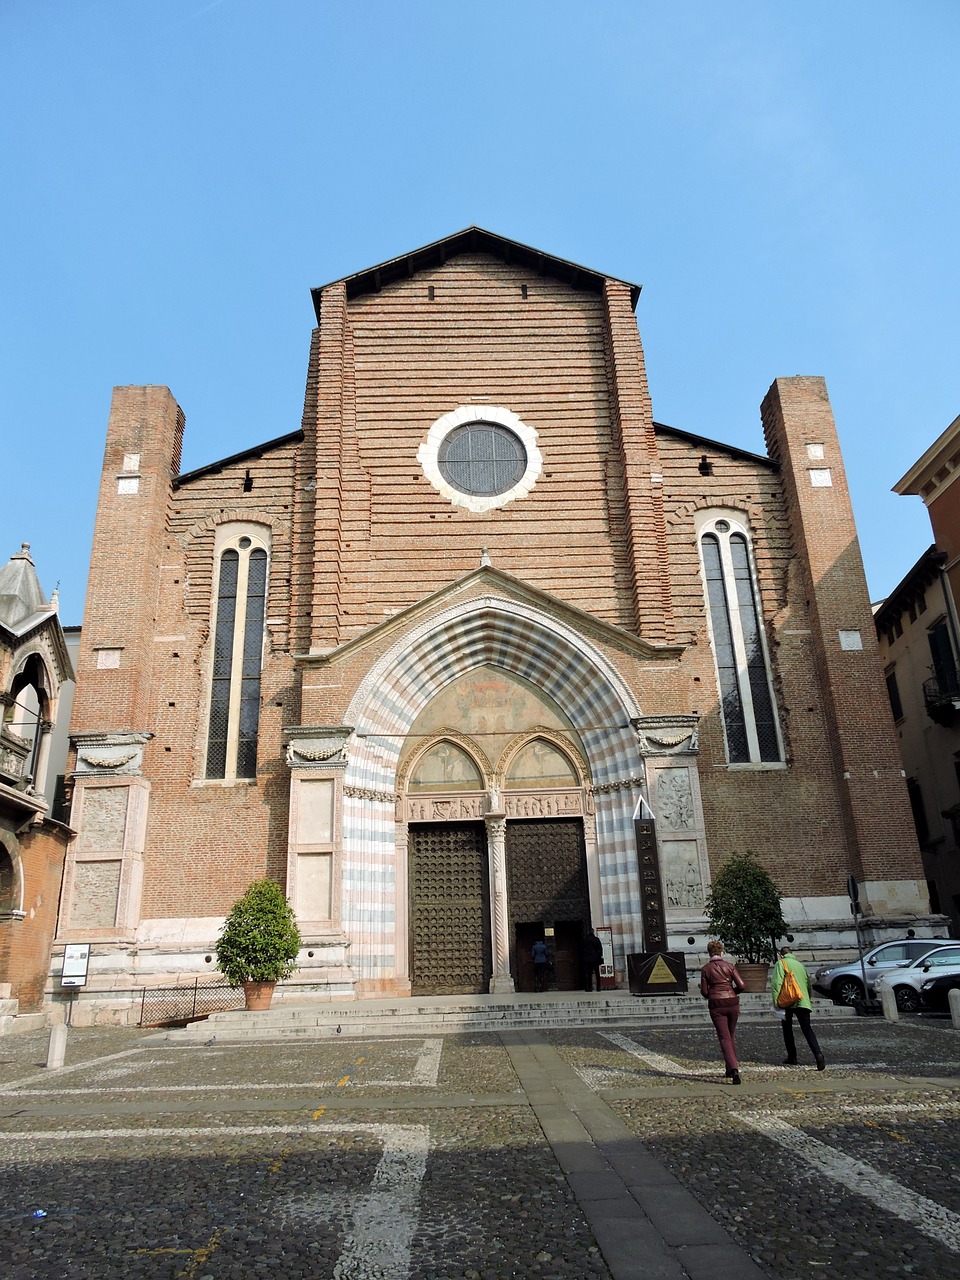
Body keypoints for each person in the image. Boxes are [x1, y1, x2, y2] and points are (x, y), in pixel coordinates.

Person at [699, 940, 746, 1084]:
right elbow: (742, 985)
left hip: (716, 1004)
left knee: (724, 1037)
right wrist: (732, 992)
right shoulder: (730, 966)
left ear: (709, 953)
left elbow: (704, 991)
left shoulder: (706, 969)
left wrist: (712, 995)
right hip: (732, 1002)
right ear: (721, 952)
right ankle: (729, 1067)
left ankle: (733, 1069)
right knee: (730, 1035)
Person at [772, 946, 825, 1070]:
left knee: (787, 1029)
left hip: (788, 1001)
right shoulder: (800, 965)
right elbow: (807, 984)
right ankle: (818, 1054)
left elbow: (777, 983)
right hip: (803, 1001)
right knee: (807, 1029)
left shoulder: (781, 963)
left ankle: (792, 1056)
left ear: (781, 955)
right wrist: (808, 999)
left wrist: (776, 1001)